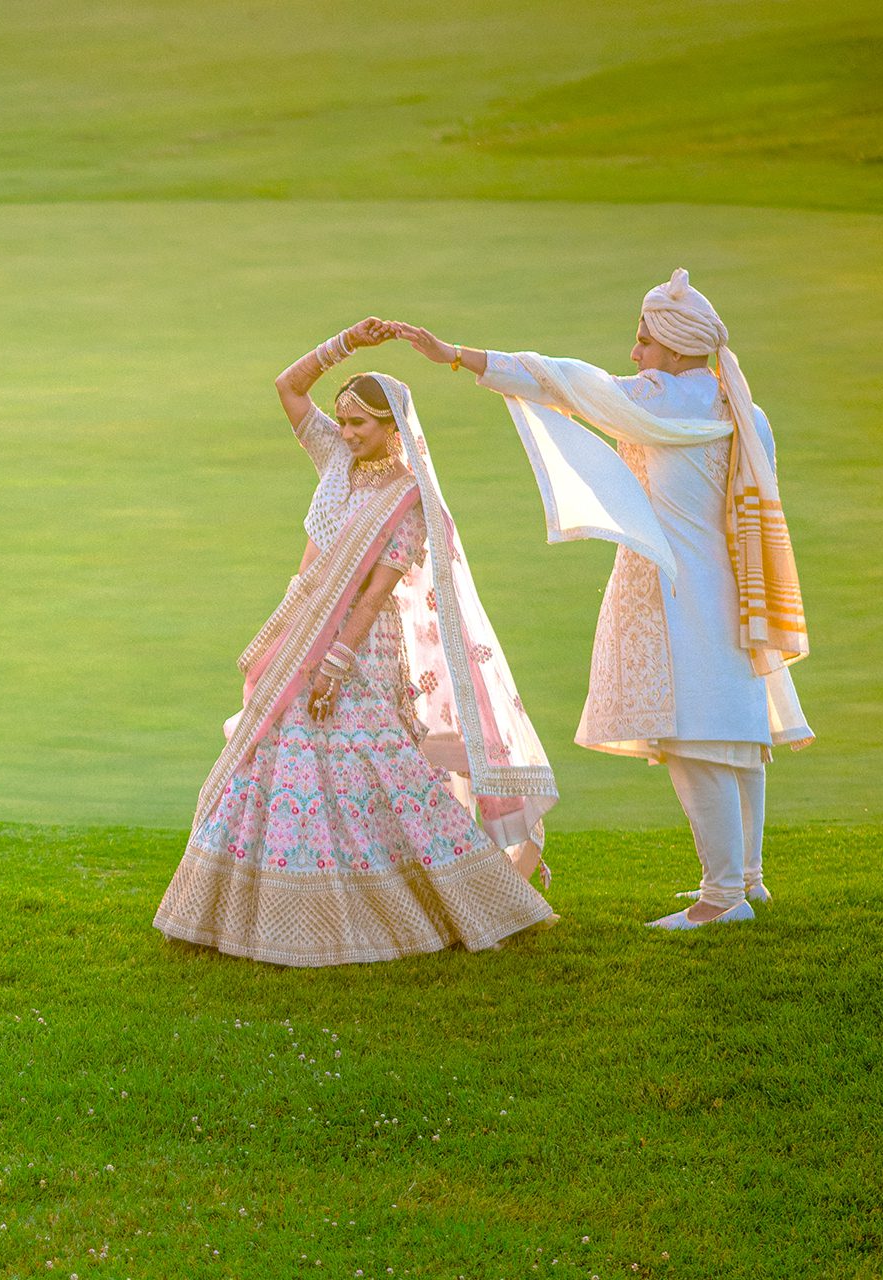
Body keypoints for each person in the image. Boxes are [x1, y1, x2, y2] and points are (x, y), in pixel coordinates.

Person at [390, 270, 812, 930]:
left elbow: (561, 379)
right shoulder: (744, 411)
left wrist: (458, 356)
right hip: (735, 588)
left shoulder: (658, 399)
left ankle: (721, 897)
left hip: (680, 589)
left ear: (671, 346)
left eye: (642, 340)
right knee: (736, 736)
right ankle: (747, 881)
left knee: (698, 741)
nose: (636, 354)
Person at [153, 318, 558, 966]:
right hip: (303, 631)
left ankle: (419, 905)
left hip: (361, 650)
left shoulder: (409, 498)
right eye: (340, 421)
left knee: (369, 769)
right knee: (279, 760)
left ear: (393, 427)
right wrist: (346, 343)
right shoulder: (336, 463)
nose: (345, 433)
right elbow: (287, 388)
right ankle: (256, 912)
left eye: (359, 424)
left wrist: (337, 664)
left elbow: (375, 593)